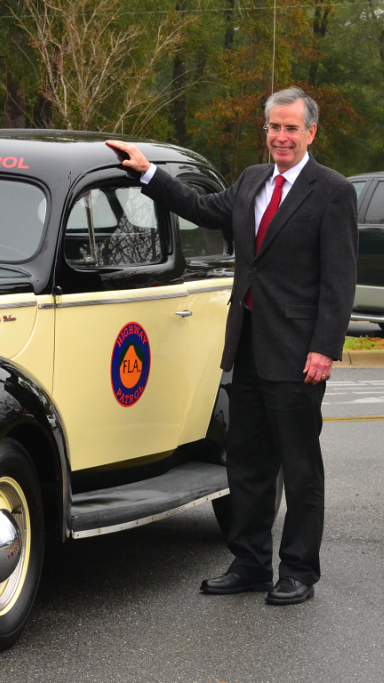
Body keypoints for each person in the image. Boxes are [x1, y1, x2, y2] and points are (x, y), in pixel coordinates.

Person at [106, 86, 358, 605]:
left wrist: (324, 348)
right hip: (246, 348)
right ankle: (249, 563)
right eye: (273, 127)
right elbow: (199, 208)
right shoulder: (251, 181)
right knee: (246, 462)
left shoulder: (331, 191)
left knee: (300, 465)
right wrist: (147, 172)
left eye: (291, 128)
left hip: (298, 354)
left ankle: (299, 572)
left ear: (311, 132)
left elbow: (340, 279)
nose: (281, 137)